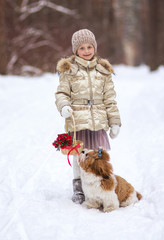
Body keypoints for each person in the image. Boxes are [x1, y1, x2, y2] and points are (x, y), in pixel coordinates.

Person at [55, 29, 121, 204]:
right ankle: (79, 188)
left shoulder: (103, 71)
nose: (86, 51)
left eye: (89, 46)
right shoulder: (69, 70)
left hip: (98, 121)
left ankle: (100, 185)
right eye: (82, 48)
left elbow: (110, 99)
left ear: (95, 47)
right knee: (80, 155)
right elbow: (61, 93)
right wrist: (64, 106)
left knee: (99, 154)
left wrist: (114, 122)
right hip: (78, 121)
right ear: (75, 50)